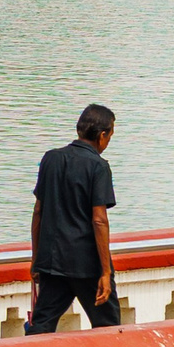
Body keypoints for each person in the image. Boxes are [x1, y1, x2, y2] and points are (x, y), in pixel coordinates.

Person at [27, 103, 119, 333]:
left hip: (52, 261)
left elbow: (38, 211)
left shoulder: (50, 159)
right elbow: (99, 220)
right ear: (102, 135)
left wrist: (36, 259)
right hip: (86, 264)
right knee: (108, 326)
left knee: (41, 327)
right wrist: (105, 272)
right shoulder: (98, 167)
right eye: (110, 136)